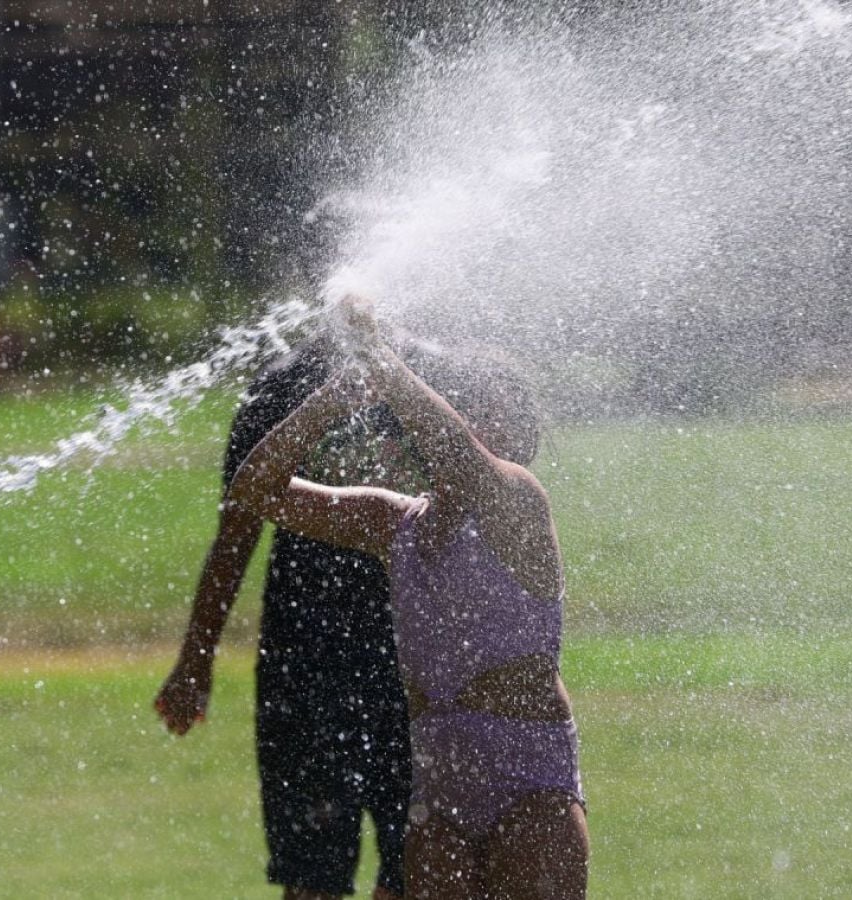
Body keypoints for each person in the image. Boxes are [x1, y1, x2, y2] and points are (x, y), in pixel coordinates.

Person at [207, 296, 589, 899]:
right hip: (441, 785)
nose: (483, 431)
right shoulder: (393, 522)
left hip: (529, 777)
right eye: (474, 415)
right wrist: (330, 403)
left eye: (501, 422)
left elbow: (462, 457)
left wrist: (378, 357)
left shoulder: (520, 500)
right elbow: (255, 488)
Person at [156, 336, 416, 900]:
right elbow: (237, 533)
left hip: (417, 657)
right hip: (304, 657)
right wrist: (195, 659)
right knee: (311, 874)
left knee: (417, 868)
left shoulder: (427, 381)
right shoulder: (279, 386)